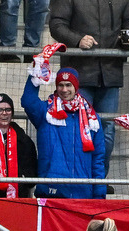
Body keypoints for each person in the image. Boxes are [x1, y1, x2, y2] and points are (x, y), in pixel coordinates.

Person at [49, 0, 129, 177]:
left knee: (107, 131)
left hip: (110, 75)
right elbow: (56, 25)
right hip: (79, 77)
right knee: (78, 129)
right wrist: (77, 40)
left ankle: (99, 178)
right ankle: (79, 178)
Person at [21, 67, 105, 199]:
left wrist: (99, 194)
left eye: (68, 85)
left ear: (76, 86)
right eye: (60, 85)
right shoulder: (45, 112)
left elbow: (98, 158)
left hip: (83, 194)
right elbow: (28, 101)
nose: (64, 90)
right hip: (51, 192)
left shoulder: (92, 118)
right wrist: (37, 71)